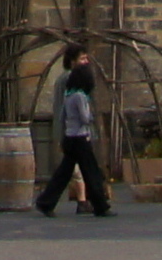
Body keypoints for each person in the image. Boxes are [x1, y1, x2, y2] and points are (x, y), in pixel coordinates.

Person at [34, 48, 112, 218]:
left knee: (64, 172)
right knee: (90, 171)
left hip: (70, 136)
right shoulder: (79, 94)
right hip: (80, 137)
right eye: (82, 58)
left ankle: (45, 202)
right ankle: (100, 205)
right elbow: (84, 117)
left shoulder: (69, 94)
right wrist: (89, 118)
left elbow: (62, 114)